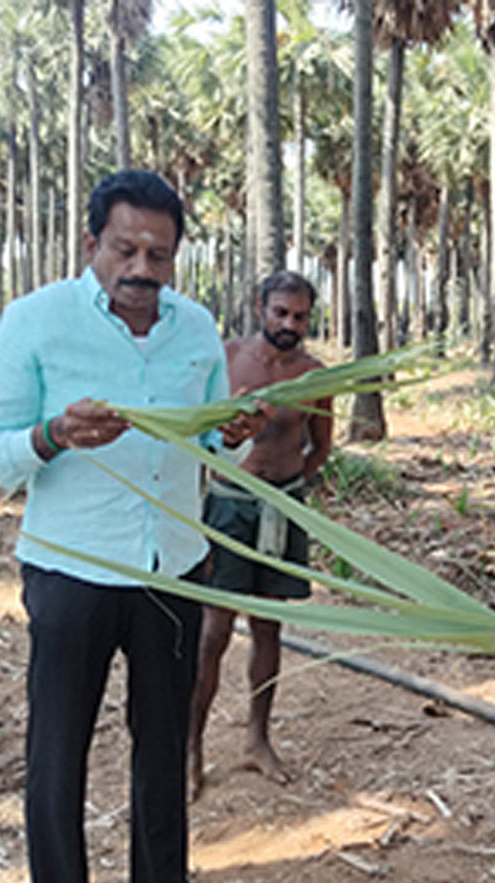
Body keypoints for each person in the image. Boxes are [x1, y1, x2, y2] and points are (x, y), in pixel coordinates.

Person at [0, 169, 264, 883]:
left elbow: (218, 449)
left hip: (173, 570)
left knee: (163, 754)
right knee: (57, 755)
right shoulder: (36, 320)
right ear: (92, 241)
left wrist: (235, 434)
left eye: (158, 256)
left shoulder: (193, 328)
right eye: (125, 250)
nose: (141, 270)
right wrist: (54, 434)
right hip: (71, 570)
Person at [187, 270, 333, 797]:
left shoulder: (315, 375)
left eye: (299, 316)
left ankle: (257, 739)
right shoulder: (225, 359)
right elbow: (199, 433)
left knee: (269, 628)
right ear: (259, 307)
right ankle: (193, 748)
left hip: (283, 510)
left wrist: (287, 489)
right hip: (227, 508)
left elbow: (321, 446)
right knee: (212, 633)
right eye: (281, 313)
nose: (290, 325)